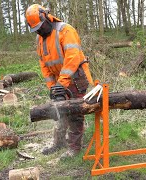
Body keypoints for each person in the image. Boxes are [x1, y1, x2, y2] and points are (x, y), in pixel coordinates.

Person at [25, 4, 94, 158]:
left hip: (76, 77)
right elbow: (44, 65)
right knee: (59, 110)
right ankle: (59, 143)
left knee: (75, 112)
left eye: (40, 27)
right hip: (60, 81)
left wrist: (61, 84)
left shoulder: (65, 30)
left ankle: (74, 148)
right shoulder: (39, 39)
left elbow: (72, 58)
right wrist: (53, 87)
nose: (39, 31)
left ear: (47, 17)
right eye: (36, 29)